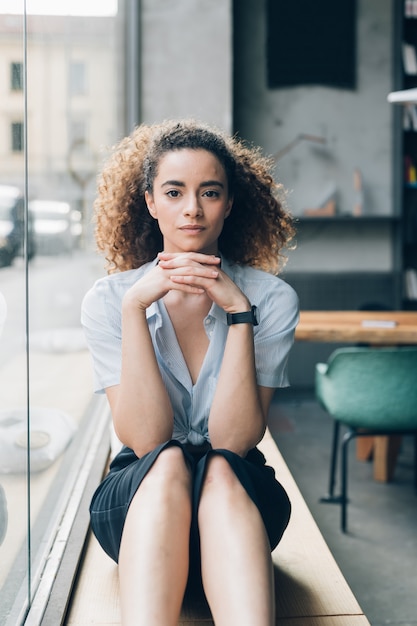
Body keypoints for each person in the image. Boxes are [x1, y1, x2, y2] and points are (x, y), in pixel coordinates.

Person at [81, 119, 299, 626]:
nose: (192, 209)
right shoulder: (110, 300)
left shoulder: (270, 299)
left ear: (230, 204)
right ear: (150, 202)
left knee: (220, 467)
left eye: (210, 192)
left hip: (237, 499)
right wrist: (136, 309)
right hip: (142, 504)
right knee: (167, 462)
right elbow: (145, 437)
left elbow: (234, 440)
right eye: (174, 192)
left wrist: (240, 314)